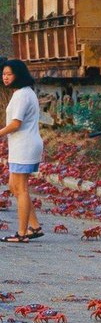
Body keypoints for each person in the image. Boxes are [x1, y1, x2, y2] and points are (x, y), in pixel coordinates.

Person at [0, 59, 44, 243]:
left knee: (22, 188)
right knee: (14, 186)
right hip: (21, 145)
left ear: (18, 75)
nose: (5, 78)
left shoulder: (22, 95)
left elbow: (16, 124)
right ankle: (34, 226)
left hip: (25, 145)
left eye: (9, 74)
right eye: (3, 74)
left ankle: (22, 233)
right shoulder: (23, 93)